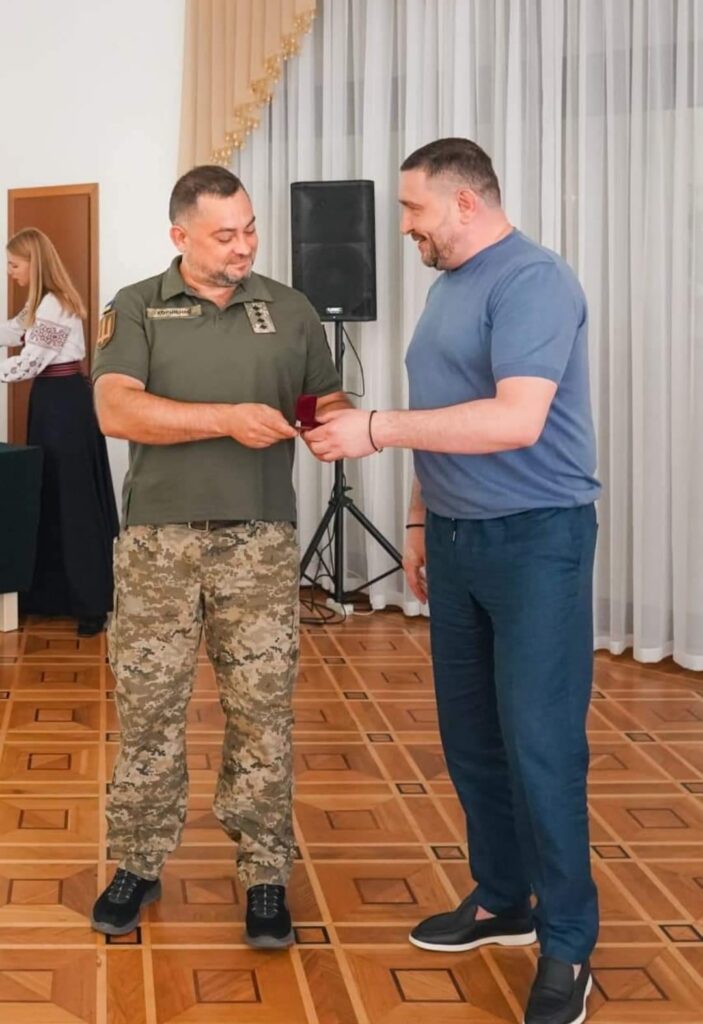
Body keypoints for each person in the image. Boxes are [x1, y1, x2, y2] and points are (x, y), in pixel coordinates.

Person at [307, 138, 600, 1024]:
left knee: (540, 743)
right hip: (458, 536)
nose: (404, 226)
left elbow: (515, 420)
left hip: (537, 541)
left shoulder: (533, 281)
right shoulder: (447, 287)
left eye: (413, 209)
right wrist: (419, 519)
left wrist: (376, 430)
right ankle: (504, 898)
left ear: (465, 203)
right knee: (470, 736)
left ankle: (567, 941)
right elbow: (442, 418)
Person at [89, 165, 348, 946]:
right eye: (225, 234)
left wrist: (340, 422)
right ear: (180, 236)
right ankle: (137, 860)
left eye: (250, 229)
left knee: (262, 713)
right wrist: (227, 418)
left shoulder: (290, 309)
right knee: (149, 710)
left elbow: (322, 399)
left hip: (258, 540)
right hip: (157, 544)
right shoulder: (137, 305)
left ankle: (265, 875)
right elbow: (115, 409)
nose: (244, 246)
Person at [0, 228, 118, 637]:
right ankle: (54, 596)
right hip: (51, 401)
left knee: (73, 497)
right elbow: (12, 332)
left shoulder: (55, 305)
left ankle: (91, 602)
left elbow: (29, 363)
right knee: (49, 492)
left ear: (34, 263)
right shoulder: (38, 303)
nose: (10, 272)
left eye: (14, 264)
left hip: (65, 405)